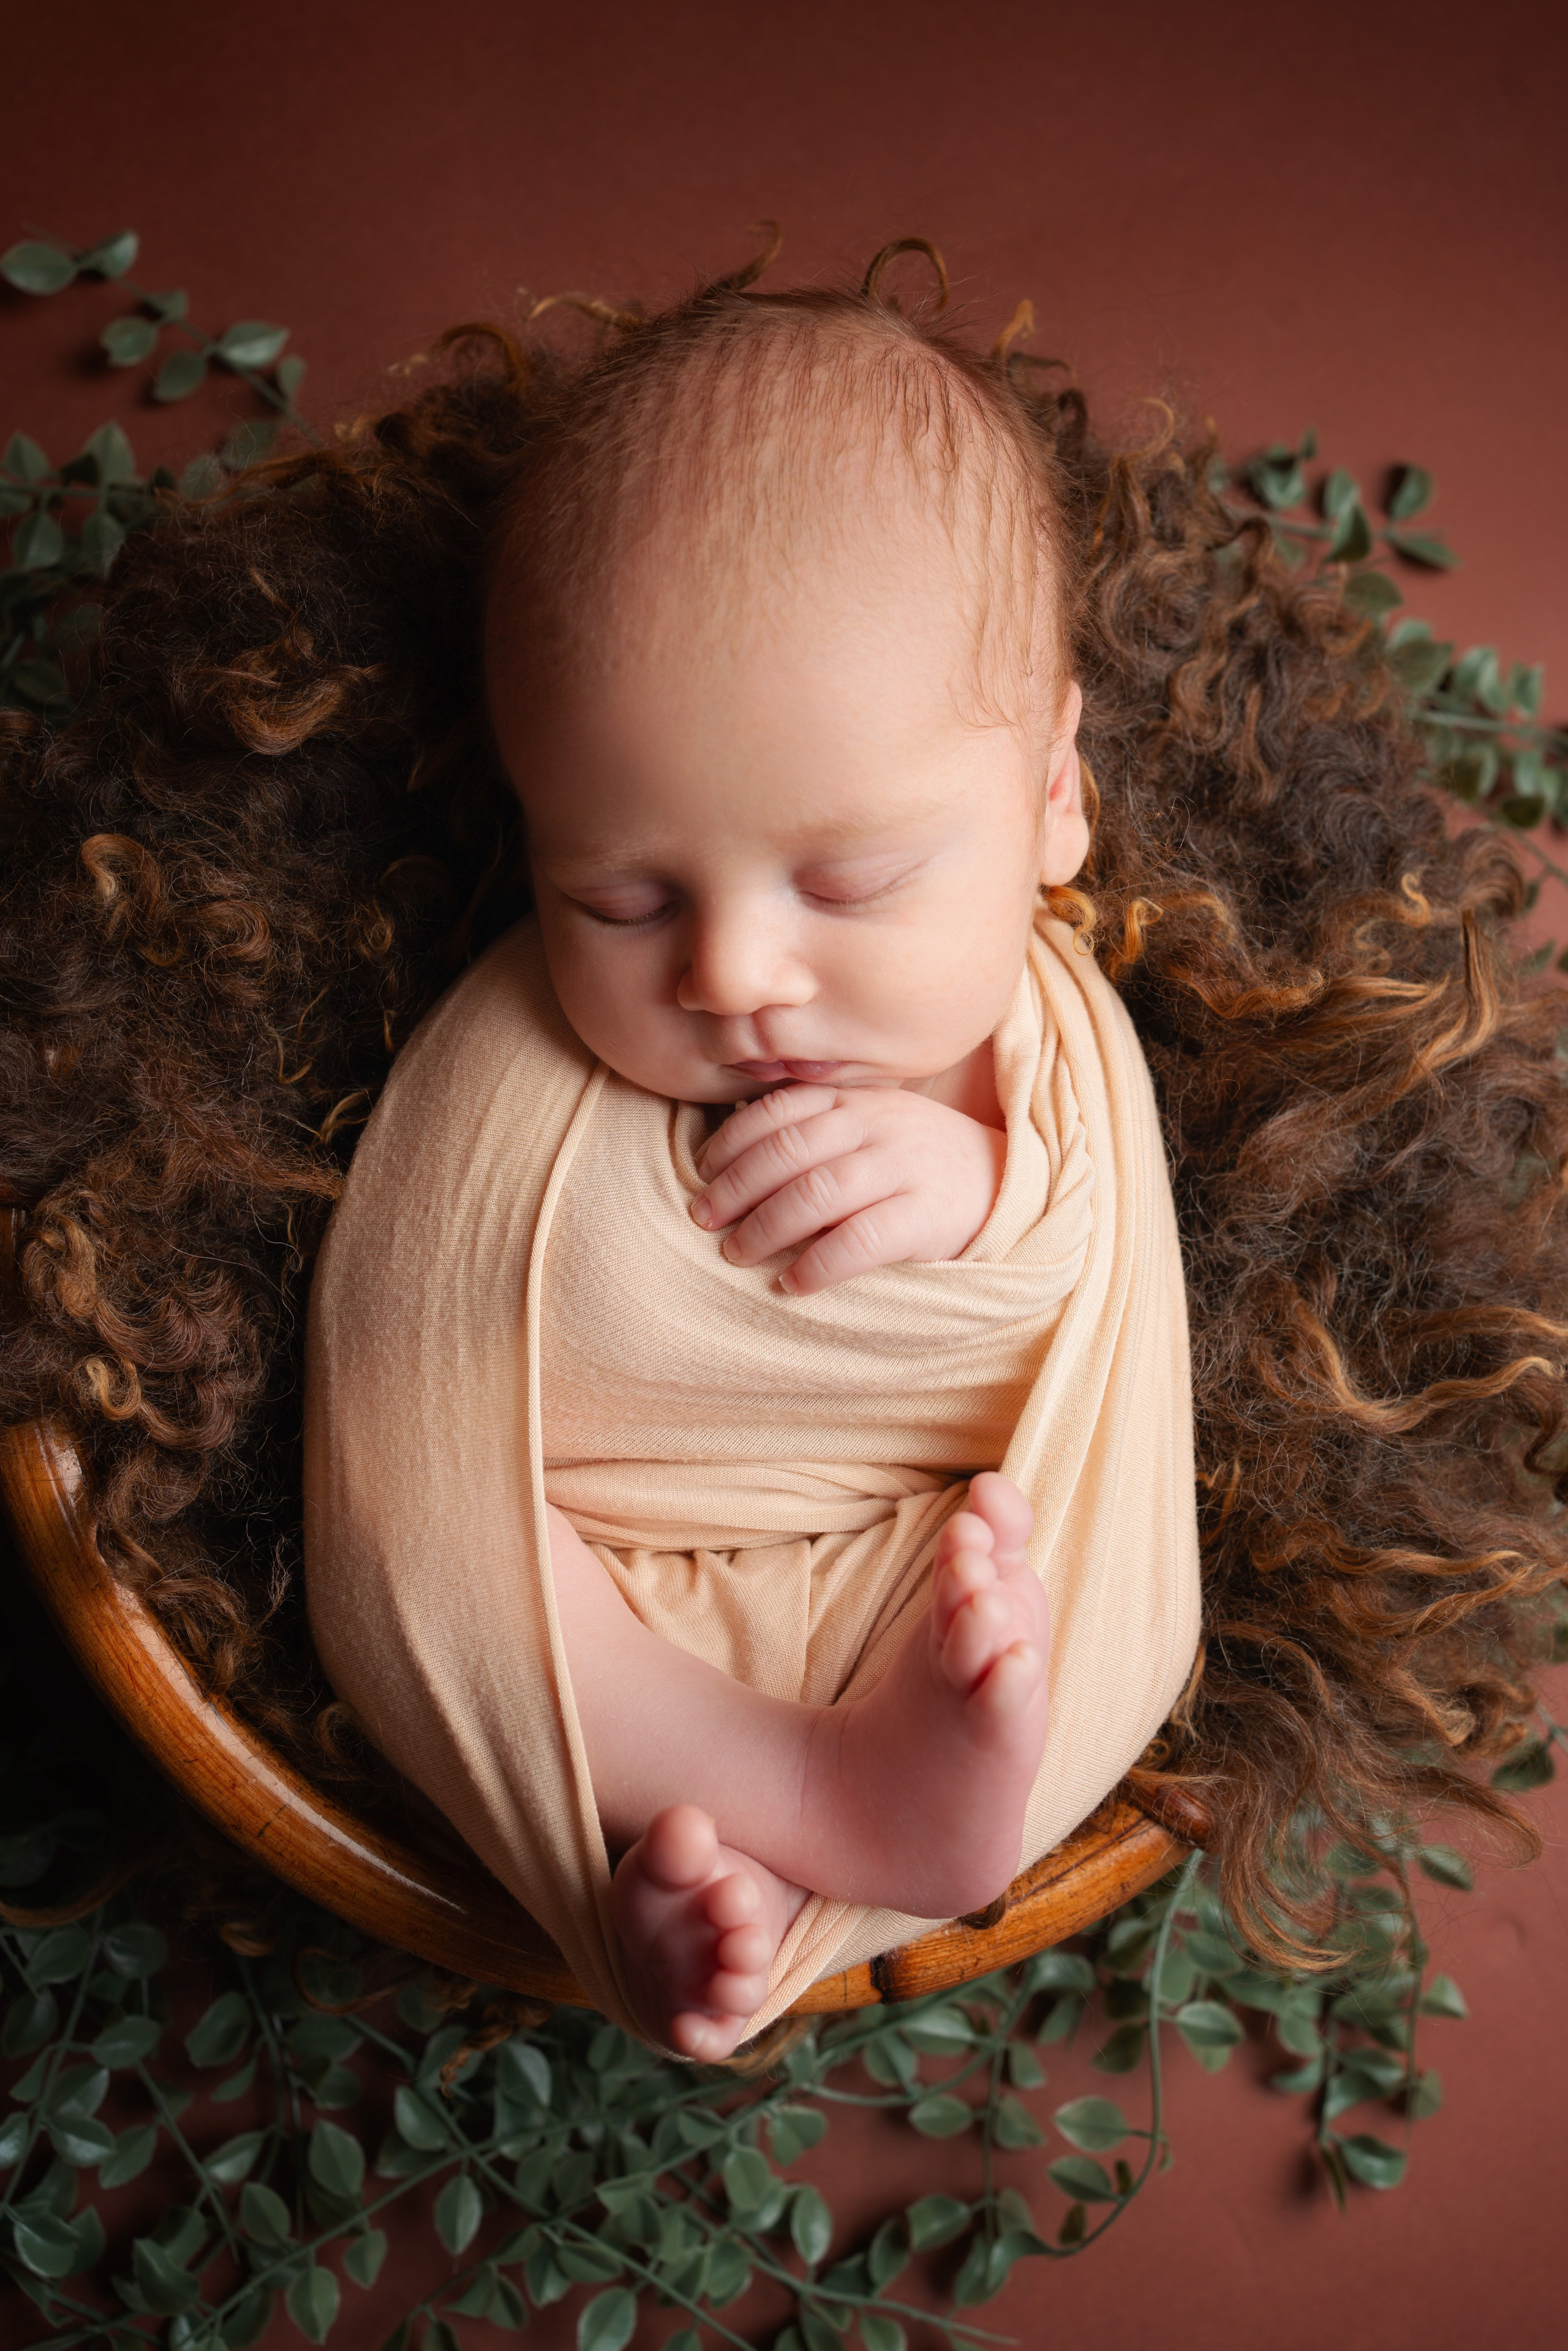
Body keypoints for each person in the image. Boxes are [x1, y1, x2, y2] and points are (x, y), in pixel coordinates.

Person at [4, 243, 1561, 2064]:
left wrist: (990, 1200)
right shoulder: (511, 1041)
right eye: (625, 889)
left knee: (1055, 1606)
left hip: (908, 1576)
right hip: (587, 1575)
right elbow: (416, 1331)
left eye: (852, 879)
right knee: (407, 1550)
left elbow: (1100, 1292)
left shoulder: (1048, 1042)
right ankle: (744, 1834)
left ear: (1055, 795)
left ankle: (716, 1905)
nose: (734, 973)